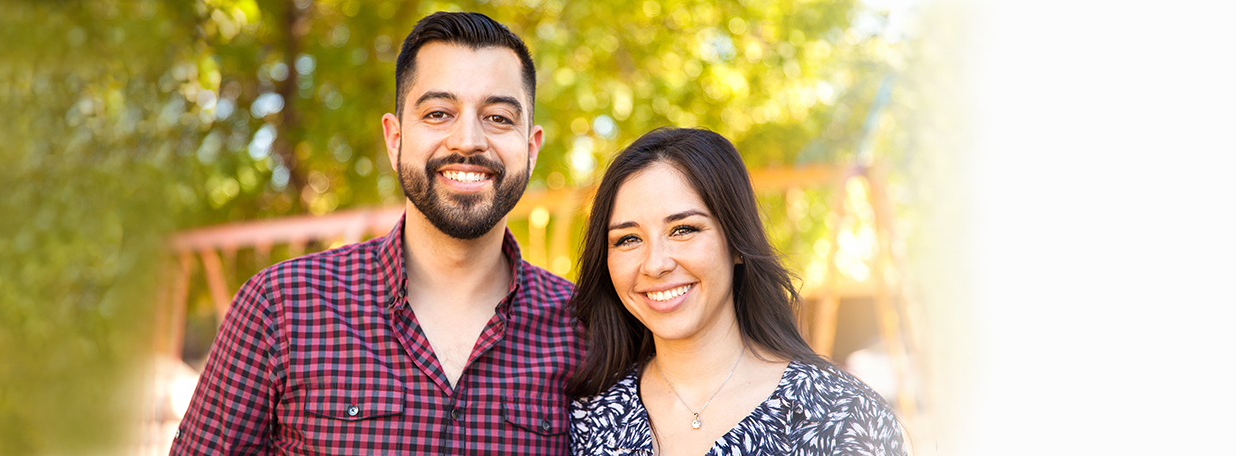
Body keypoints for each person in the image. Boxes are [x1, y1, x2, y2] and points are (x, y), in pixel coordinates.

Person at [170, 12, 582, 455]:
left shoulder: (588, 333)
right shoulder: (280, 307)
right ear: (395, 138)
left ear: (532, 147)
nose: (467, 140)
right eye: (439, 113)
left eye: (498, 117)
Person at [566, 128, 906, 455]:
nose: (655, 264)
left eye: (683, 229)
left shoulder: (840, 414)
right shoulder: (588, 417)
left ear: (737, 243)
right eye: (629, 239)